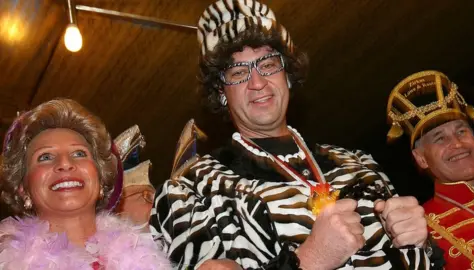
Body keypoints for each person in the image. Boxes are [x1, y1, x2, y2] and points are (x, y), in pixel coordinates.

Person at [150, 1, 433, 269]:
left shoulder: (360, 166)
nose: (258, 82)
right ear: (221, 93)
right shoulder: (192, 190)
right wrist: (310, 260)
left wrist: (421, 245)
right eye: (238, 72)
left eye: (269, 64)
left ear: (286, 75)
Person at [0, 99, 171, 269]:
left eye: (79, 153)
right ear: (23, 189)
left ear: (100, 179)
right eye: (45, 157)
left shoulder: (150, 254)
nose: (65, 163)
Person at [387, 70, 474, 269]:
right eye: (440, 138)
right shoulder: (416, 228)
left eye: (462, 131)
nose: (457, 143)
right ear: (421, 159)